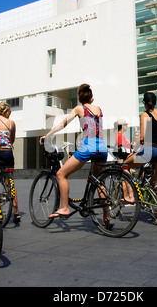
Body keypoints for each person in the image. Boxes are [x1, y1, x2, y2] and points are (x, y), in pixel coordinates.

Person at [39, 84, 108, 220]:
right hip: (102, 148)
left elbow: (62, 124)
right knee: (99, 181)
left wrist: (48, 135)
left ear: (80, 98)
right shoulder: (99, 109)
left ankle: (64, 208)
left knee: (61, 174)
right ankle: (106, 217)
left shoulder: (79, 108)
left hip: (89, 146)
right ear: (91, 97)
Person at [122, 92, 157, 204]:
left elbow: (142, 138)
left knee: (124, 166)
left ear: (144, 103)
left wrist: (134, 151)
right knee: (156, 182)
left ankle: (132, 194)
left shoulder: (145, 115)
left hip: (149, 150)